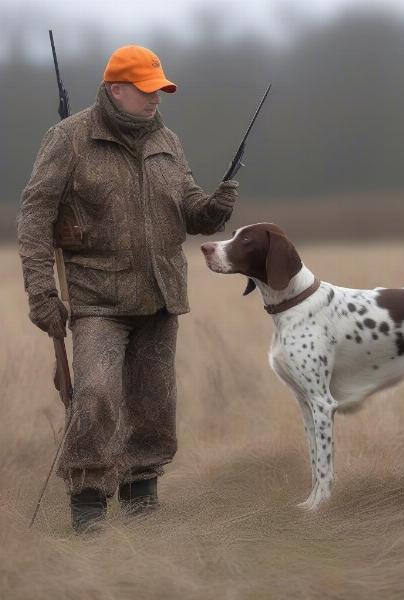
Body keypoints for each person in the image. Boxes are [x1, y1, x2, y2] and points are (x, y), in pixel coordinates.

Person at [17, 45, 238, 532]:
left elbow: (188, 207)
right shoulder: (68, 139)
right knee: (94, 393)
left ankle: (142, 498)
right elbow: (34, 217)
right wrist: (40, 294)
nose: (156, 98)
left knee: (155, 403)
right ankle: (89, 504)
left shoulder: (168, 141)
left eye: (160, 89)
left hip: (161, 295)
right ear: (116, 89)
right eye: (146, 89)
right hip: (96, 298)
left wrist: (214, 209)